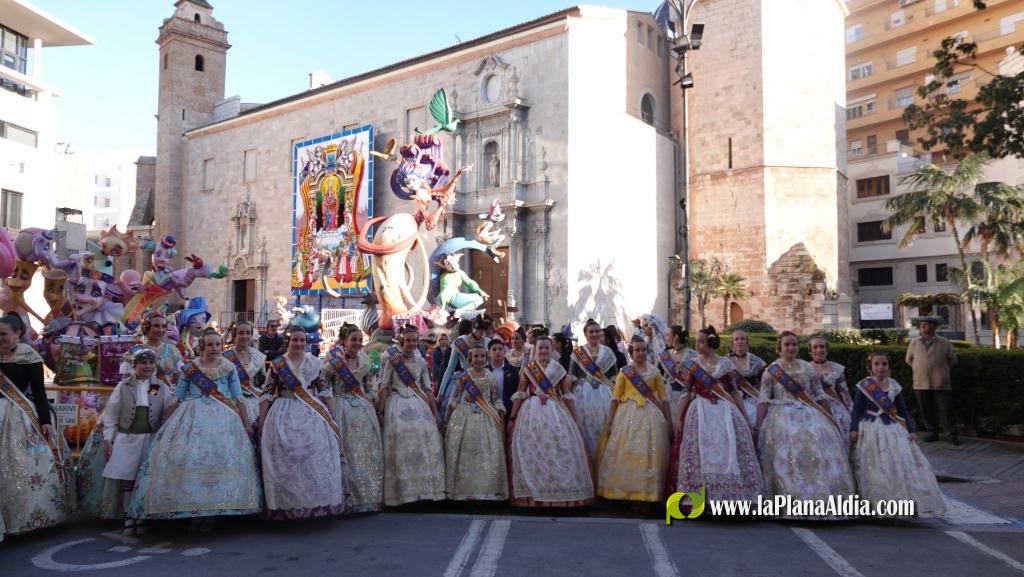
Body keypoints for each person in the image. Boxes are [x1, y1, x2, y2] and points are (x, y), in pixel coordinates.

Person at [128, 328, 261, 532]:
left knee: (221, 460)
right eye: (210, 344)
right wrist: (164, 420)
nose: (215, 348)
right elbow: (178, 396)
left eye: (218, 344)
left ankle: (213, 513)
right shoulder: (189, 369)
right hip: (190, 415)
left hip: (224, 418)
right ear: (201, 347)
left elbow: (239, 398)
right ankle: (191, 510)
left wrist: (245, 424)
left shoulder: (229, 368)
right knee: (180, 458)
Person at [754, 331, 855, 520]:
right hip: (782, 416)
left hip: (810, 414)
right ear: (780, 348)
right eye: (787, 345)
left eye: (794, 344)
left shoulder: (807, 368)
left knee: (818, 453)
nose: (791, 348)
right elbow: (764, 399)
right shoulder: (771, 370)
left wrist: (830, 419)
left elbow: (818, 395)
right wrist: (758, 427)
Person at [259, 327, 347, 519]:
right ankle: (286, 506)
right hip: (283, 411)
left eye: (302, 341)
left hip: (311, 412)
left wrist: (331, 415)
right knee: (286, 458)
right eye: (295, 340)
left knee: (313, 455)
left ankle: (313, 503)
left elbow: (324, 391)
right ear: (288, 342)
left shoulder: (315, 363)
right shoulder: (278, 364)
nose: (298, 344)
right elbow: (266, 393)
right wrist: (263, 421)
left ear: (306, 343)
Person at [0, 313, 75, 540]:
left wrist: (44, 421)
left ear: (18, 334)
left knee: (20, 466)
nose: (0, 338)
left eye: (3, 334)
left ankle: (24, 518)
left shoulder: (28, 356)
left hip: (17, 415)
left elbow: (39, 393)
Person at [669, 326, 763, 505]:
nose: (697, 344)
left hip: (725, 411)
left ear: (710, 342)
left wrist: (745, 417)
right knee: (701, 453)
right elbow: (686, 393)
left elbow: (734, 392)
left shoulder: (725, 364)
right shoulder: (693, 364)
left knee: (729, 452)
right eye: (696, 340)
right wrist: (678, 419)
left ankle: (730, 498)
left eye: (701, 341)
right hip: (700, 412)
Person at [850, 352, 946, 518]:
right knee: (874, 468)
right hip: (870, 430)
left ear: (889, 367)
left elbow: (902, 411)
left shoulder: (894, 386)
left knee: (898, 465)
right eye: (877, 364)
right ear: (871, 367)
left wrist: (912, 430)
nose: (881, 367)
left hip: (893, 430)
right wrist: (853, 429)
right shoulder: (864, 386)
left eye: (884, 364)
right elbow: (856, 410)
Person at [508, 336, 593, 507]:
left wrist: (575, 420)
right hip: (531, 412)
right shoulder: (528, 369)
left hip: (556, 412)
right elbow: (521, 393)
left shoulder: (558, 369)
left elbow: (566, 396)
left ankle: (560, 494)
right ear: (535, 350)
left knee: (558, 449)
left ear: (551, 349)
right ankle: (533, 495)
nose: (544, 351)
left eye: (547, 348)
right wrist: (512, 417)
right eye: (540, 348)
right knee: (533, 450)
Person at [100, 348, 176, 535]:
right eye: (143, 363)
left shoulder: (157, 386)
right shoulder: (123, 387)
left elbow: (167, 408)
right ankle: (128, 515)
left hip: (149, 439)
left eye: (151, 363)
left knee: (144, 479)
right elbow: (111, 414)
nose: (148, 366)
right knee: (128, 479)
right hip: (128, 439)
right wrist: (108, 439)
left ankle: (141, 515)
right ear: (134, 365)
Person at [596, 335, 671, 503]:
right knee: (626, 452)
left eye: (643, 349)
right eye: (637, 350)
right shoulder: (625, 372)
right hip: (626, 415)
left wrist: (669, 421)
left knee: (649, 454)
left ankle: (647, 494)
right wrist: (609, 422)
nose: (641, 353)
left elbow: (663, 398)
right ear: (631, 352)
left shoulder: (654, 371)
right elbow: (615, 398)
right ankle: (628, 494)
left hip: (651, 416)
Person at [379, 326, 446, 506]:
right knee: (401, 448)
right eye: (408, 340)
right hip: (396, 404)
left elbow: (427, 388)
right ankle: (402, 494)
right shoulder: (392, 360)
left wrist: (435, 412)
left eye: (414, 341)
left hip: (419, 405)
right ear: (402, 341)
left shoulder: (421, 361)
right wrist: (381, 411)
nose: (412, 344)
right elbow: (384, 386)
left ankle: (424, 492)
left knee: (425, 445)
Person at [323, 325, 382, 513]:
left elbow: (371, 386)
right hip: (339, 407)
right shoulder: (333, 359)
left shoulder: (365, 359)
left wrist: (376, 405)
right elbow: (323, 386)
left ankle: (367, 498)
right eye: (353, 340)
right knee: (345, 453)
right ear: (344, 341)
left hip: (363, 409)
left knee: (365, 452)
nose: (357, 343)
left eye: (359, 340)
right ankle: (344, 498)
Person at [443, 344, 508, 501]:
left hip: (487, 417)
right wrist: (447, 420)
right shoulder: (463, 377)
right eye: (476, 356)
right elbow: (454, 398)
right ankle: (462, 491)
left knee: (487, 452)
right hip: (463, 417)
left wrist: (500, 413)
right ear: (470, 359)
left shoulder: (491, 377)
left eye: (482, 356)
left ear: (486, 359)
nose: (479, 359)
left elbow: (495, 398)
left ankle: (487, 491)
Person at [569, 319, 618, 459]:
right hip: (583, 394)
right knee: (584, 425)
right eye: (591, 331)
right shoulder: (578, 352)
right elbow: (571, 375)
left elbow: (614, 375)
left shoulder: (608, 352)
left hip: (605, 393)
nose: (595, 334)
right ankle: (587, 458)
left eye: (597, 331)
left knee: (604, 424)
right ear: (586, 334)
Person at [906, 316, 959, 445]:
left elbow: (953, 360)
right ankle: (932, 432)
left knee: (945, 409)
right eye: (921, 324)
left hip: (940, 382)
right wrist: (920, 369)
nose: (922, 326)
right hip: (920, 382)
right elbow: (909, 359)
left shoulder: (945, 343)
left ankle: (951, 434)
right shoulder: (914, 342)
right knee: (926, 409)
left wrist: (941, 371)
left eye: (926, 324)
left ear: (933, 327)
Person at [438, 315, 493, 413]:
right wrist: (441, 394)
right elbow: (450, 369)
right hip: (464, 384)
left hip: (483, 383)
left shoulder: (487, 342)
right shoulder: (460, 342)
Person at [808, 335, 852, 445]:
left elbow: (845, 395)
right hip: (815, 409)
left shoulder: (837, 369)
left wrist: (853, 417)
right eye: (815, 347)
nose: (819, 350)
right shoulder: (805, 369)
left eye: (822, 346)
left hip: (837, 411)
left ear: (826, 349)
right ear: (810, 351)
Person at [224, 320, 267, 429]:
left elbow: (263, 383)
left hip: (255, 398)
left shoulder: (258, 356)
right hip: (232, 400)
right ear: (234, 335)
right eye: (241, 333)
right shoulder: (225, 357)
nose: (245, 336)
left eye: (248, 333)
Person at [657, 325, 698, 416]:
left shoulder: (694, 355)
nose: (665, 338)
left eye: (667, 335)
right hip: (669, 397)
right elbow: (659, 379)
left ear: (675, 337)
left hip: (688, 398)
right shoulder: (663, 356)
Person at [727, 330, 766, 425]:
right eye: (736, 339)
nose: (740, 341)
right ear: (732, 342)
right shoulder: (725, 361)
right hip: (731, 401)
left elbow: (763, 385)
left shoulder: (757, 362)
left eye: (742, 339)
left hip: (752, 400)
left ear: (747, 342)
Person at [136, 310, 183, 388]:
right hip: (142, 396)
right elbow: (128, 381)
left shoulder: (172, 350)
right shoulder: (137, 351)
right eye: (156, 326)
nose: (161, 330)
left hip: (167, 396)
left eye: (164, 326)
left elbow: (179, 379)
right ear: (146, 327)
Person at [487, 338, 519, 416]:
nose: (497, 352)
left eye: (500, 349)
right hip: (489, 412)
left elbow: (517, 391)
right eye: (494, 349)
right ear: (488, 353)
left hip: (508, 411)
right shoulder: (485, 370)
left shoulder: (513, 370)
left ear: (504, 352)